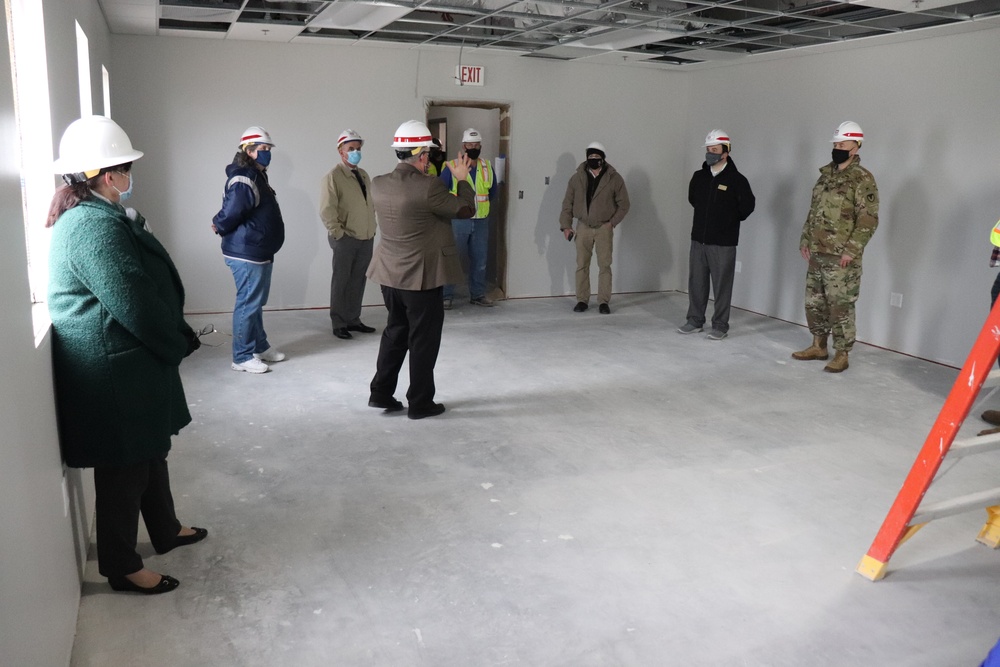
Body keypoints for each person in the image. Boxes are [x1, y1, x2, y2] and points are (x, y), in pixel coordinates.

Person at [47, 115, 207, 595]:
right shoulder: (91, 227)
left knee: (150, 449)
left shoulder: (101, 216)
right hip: (113, 367)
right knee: (125, 467)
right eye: (124, 167)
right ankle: (121, 565)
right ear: (105, 174)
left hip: (125, 359)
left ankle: (165, 528)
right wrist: (175, 340)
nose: (128, 175)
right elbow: (133, 300)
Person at [366, 120, 475, 420]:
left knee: (395, 332)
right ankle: (420, 402)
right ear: (423, 156)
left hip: (389, 275)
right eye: (428, 154)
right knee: (423, 340)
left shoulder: (378, 183)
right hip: (421, 277)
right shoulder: (429, 187)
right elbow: (467, 209)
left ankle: (381, 393)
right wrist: (463, 179)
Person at [792, 121, 879, 373]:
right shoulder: (825, 175)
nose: (837, 148)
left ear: (855, 147)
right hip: (818, 253)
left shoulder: (862, 179)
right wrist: (805, 239)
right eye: (835, 144)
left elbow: (868, 219)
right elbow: (814, 212)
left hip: (841, 256)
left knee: (840, 306)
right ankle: (818, 345)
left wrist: (852, 250)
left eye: (842, 144)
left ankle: (842, 353)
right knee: (814, 302)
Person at [212, 126, 286, 373]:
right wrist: (219, 224)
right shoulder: (245, 177)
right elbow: (233, 210)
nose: (267, 153)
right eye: (263, 149)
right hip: (246, 252)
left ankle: (259, 346)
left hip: (259, 251)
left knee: (255, 302)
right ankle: (242, 356)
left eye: (268, 149)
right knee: (248, 302)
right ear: (249, 151)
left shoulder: (257, 175)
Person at [678, 130, 756, 340]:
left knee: (722, 286)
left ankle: (720, 325)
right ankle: (695, 320)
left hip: (723, 243)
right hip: (698, 241)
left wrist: (727, 223)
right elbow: (693, 199)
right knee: (696, 282)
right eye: (708, 150)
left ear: (725, 153)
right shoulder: (699, 177)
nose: (710, 154)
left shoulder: (737, 180)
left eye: (714, 150)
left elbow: (747, 206)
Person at [319, 129, 377, 340]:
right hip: (345, 238)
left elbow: (368, 204)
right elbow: (327, 209)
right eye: (350, 149)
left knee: (358, 280)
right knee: (341, 280)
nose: (355, 152)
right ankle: (339, 322)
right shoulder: (333, 177)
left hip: (365, 237)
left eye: (358, 149)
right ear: (340, 151)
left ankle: (353, 319)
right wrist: (338, 234)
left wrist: (372, 228)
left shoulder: (363, 175)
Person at [560, 141, 630, 314]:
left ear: (603, 159)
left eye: (596, 157)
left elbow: (624, 204)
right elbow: (567, 204)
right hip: (583, 226)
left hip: (603, 228)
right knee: (581, 264)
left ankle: (603, 301)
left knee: (604, 265)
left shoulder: (614, 178)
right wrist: (566, 226)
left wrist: (612, 223)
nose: (593, 160)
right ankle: (582, 300)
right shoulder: (577, 178)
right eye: (590, 157)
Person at [439, 128, 497, 309]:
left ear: (480, 146)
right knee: (452, 259)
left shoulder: (487, 167)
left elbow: (492, 193)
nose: (473, 147)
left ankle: (478, 294)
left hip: (481, 220)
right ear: (464, 146)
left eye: (476, 144)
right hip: (458, 221)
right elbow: (440, 193)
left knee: (480, 259)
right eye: (470, 145)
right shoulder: (452, 166)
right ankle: (446, 296)